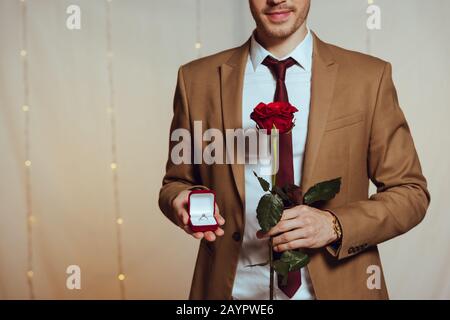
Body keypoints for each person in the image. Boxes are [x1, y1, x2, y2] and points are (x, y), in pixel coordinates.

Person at [159, 0, 430, 299]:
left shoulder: (368, 77)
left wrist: (335, 225)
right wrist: (180, 200)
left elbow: (410, 192)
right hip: (232, 293)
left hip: (340, 287)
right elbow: (175, 182)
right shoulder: (196, 79)